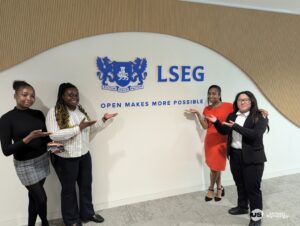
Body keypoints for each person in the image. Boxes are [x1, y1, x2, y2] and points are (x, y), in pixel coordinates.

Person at [46, 83, 117, 226]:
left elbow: (90, 130)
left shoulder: (80, 112)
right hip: (65, 158)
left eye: (76, 94)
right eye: (70, 94)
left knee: (86, 185)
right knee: (68, 190)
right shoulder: (54, 112)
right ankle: (71, 220)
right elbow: (54, 135)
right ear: (62, 96)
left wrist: (104, 120)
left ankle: (87, 213)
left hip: (84, 155)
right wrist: (77, 128)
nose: (74, 97)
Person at [206, 91, 269, 226]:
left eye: (246, 100)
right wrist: (216, 122)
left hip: (253, 158)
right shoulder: (233, 115)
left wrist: (235, 126)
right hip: (235, 155)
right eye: (240, 100)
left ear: (251, 101)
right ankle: (242, 207)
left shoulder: (260, 116)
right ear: (236, 102)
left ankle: (256, 218)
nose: (243, 102)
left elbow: (254, 135)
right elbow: (225, 131)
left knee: (253, 189)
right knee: (240, 184)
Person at [0, 81, 51, 226]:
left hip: (42, 159)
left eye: (32, 96)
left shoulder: (38, 114)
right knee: (41, 198)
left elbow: (45, 138)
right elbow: (6, 150)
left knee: (34, 197)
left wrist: (53, 143)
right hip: (25, 165)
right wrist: (29, 138)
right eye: (24, 95)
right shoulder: (6, 119)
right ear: (15, 96)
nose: (29, 98)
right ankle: (45, 223)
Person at [186, 85, 233, 201]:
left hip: (222, 139)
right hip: (210, 140)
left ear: (219, 95)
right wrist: (197, 114)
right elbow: (206, 126)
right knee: (214, 166)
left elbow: (238, 117)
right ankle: (220, 188)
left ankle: (211, 188)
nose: (211, 96)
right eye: (209, 93)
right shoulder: (207, 109)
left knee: (216, 166)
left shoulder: (229, 106)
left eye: (214, 93)